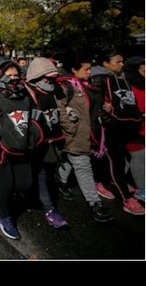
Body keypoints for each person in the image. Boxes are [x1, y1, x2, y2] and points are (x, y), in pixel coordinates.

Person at [0, 55, 41, 240]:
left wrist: (33, 132)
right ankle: (5, 217)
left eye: (16, 74)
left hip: (21, 143)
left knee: (25, 183)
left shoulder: (24, 90)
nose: (14, 78)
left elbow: (33, 110)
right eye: (10, 75)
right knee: (7, 183)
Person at [54, 54, 115, 223]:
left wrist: (104, 107)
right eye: (85, 69)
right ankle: (95, 204)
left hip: (91, 133)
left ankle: (60, 181)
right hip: (76, 135)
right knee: (83, 167)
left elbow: (93, 106)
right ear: (74, 70)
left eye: (90, 68)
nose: (90, 72)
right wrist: (71, 128)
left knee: (68, 159)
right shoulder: (66, 86)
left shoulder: (88, 85)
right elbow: (60, 109)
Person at [91, 49, 144, 215]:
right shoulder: (99, 79)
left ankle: (117, 182)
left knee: (122, 159)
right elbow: (96, 105)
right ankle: (127, 199)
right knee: (117, 161)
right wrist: (106, 118)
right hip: (109, 127)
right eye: (117, 61)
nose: (122, 64)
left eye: (122, 61)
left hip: (124, 126)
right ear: (106, 63)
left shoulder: (122, 77)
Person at [24, 57, 69, 229]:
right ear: (35, 77)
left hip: (51, 143)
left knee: (45, 175)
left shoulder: (55, 91)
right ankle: (47, 207)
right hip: (32, 144)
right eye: (46, 79)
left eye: (52, 79)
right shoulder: (27, 93)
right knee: (32, 176)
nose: (50, 82)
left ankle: (47, 206)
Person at [123, 56, 145, 201]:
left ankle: (119, 181)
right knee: (138, 157)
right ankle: (142, 189)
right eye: (143, 69)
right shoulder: (128, 85)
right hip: (134, 126)